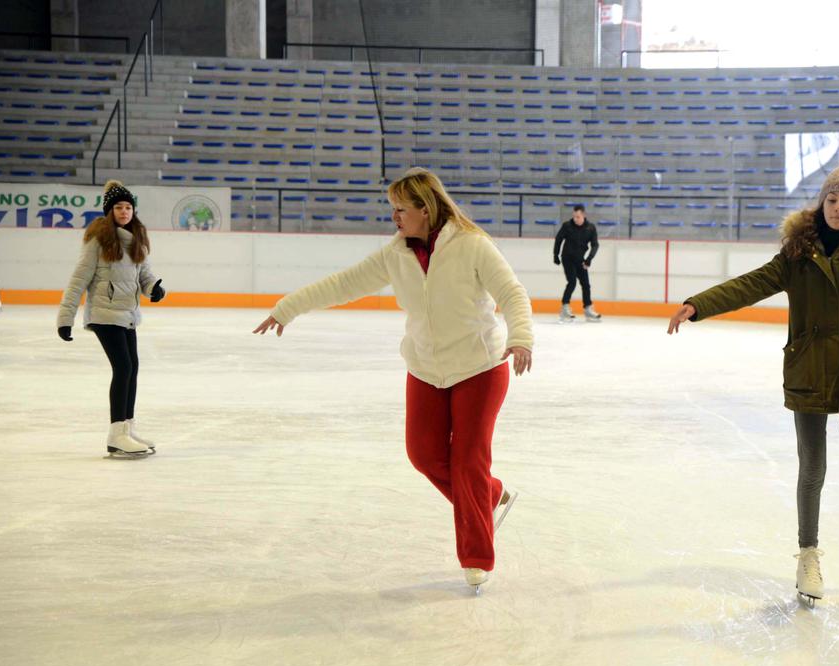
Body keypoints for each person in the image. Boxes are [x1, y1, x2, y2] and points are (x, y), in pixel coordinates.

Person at [253, 168, 534, 593]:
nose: (395, 218)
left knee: (469, 460)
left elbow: (512, 293)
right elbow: (343, 283)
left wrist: (521, 338)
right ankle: (491, 497)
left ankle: (477, 556)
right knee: (423, 454)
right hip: (425, 368)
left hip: (480, 365)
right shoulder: (396, 253)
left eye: (401, 209)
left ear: (426, 209)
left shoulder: (472, 245)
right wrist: (287, 308)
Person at [667, 158, 839, 605]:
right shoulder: (797, 253)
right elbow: (752, 284)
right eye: (831, 199)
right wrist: (698, 304)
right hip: (809, 370)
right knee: (812, 468)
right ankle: (808, 555)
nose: (838, 207)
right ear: (821, 202)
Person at [57, 180, 166, 458]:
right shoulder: (99, 239)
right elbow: (79, 279)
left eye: (128, 207)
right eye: (118, 207)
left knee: (132, 369)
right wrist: (65, 317)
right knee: (123, 367)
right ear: (109, 210)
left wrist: (154, 288)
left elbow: (144, 275)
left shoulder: (137, 239)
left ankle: (126, 429)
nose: (124, 211)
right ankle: (116, 435)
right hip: (105, 315)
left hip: (128, 315)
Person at [553, 204, 602, 323]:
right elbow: (558, 239)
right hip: (567, 258)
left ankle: (588, 309)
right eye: (574, 216)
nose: (575, 219)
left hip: (580, 260)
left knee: (586, 284)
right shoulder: (567, 226)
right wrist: (556, 255)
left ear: (583, 215)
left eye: (578, 217)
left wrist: (589, 259)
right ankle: (565, 308)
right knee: (572, 282)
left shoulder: (590, 228)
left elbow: (595, 245)